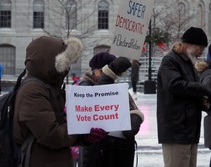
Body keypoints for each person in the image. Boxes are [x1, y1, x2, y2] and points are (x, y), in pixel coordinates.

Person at [13, 36, 108, 167]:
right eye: (65, 62)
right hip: (40, 161)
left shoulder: (49, 86)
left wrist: (85, 136)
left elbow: (62, 127)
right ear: (49, 61)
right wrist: (82, 131)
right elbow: (51, 134)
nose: (67, 68)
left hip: (53, 159)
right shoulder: (32, 91)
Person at [157, 26, 211, 167]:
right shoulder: (170, 60)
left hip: (189, 130)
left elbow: (190, 94)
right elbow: (175, 85)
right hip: (176, 130)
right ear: (189, 44)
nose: (201, 51)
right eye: (200, 47)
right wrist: (202, 88)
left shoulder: (189, 63)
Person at [78, 52, 144, 167]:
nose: (115, 77)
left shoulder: (117, 89)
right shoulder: (85, 86)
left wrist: (135, 118)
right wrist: (108, 77)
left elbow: (131, 109)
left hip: (117, 150)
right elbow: (95, 101)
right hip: (97, 153)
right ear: (97, 71)